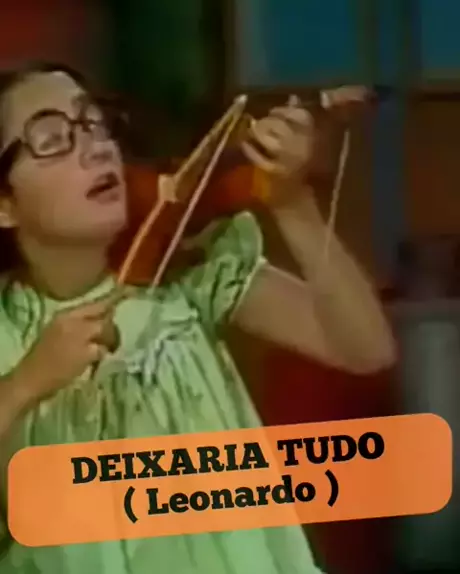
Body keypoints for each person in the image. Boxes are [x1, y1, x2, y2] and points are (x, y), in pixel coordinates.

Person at [0, 63, 395, 573]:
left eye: (94, 124)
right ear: (4, 205)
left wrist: (293, 204)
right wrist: (26, 382)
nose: (96, 148)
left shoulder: (186, 272)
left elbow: (366, 349)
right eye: (52, 140)